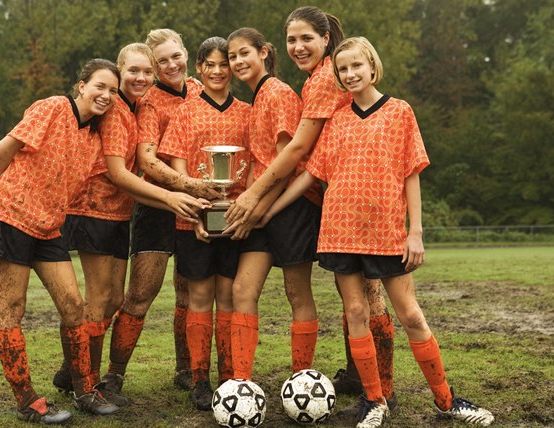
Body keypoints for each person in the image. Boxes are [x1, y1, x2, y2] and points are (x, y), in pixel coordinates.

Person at [263, 37, 495, 428]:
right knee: (356, 312)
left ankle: (446, 399)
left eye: (357, 66)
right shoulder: (336, 121)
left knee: (412, 316)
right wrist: (268, 209)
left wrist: (415, 232)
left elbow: (412, 173)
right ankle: (374, 401)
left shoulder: (400, 112)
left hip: (386, 233)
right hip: (339, 232)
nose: (350, 75)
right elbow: (311, 175)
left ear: (373, 67)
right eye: (343, 70)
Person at [226, 6, 397, 403]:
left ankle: (381, 388)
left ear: (325, 39)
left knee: (365, 294)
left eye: (306, 38)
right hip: (329, 194)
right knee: (355, 293)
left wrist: (256, 197)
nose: (299, 47)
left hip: (350, 195)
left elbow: (300, 149)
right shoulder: (315, 80)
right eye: (292, 39)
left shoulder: (322, 80)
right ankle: (360, 376)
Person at [52, 44, 207, 406]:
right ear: (121, 71)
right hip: (96, 207)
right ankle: (85, 383)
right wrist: (172, 197)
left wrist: (171, 199)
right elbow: (120, 174)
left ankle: (72, 371)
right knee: (101, 300)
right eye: (134, 71)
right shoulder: (119, 112)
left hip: (119, 212)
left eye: (146, 72)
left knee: (112, 299)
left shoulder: (154, 100)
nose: (141, 77)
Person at [0, 59, 123, 424]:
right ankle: (26, 399)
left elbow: (118, 179)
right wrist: (1, 193)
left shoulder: (93, 139)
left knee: (74, 305)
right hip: (11, 218)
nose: (106, 95)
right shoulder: (53, 107)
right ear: (81, 85)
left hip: (49, 228)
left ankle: (83, 389)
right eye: (100, 86)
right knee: (12, 308)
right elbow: (3, 148)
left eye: (112, 90)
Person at [105, 29, 217, 396]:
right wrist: (185, 187)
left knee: (189, 290)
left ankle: (186, 369)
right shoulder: (150, 101)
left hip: (197, 204)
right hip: (157, 204)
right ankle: (114, 373)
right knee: (141, 292)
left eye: (175, 56)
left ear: (186, 54)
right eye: (161, 61)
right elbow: (147, 160)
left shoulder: (202, 90)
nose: (171, 65)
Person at [157, 36, 252, 410]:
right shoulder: (185, 112)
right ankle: (199, 377)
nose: (216, 71)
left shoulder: (246, 111)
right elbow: (178, 163)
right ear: (198, 69)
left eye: (222, 64)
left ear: (231, 68)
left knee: (227, 295)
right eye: (208, 65)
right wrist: (195, 207)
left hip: (235, 217)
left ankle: (229, 376)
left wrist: (242, 207)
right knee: (199, 295)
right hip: (193, 219)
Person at [225, 27, 321, 381]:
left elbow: (286, 162)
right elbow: (258, 162)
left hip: (288, 206)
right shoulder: (256, 100)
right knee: (242, 290)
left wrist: (260, 208)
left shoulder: (278, 93)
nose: (237, 62)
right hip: (258, 208)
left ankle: (303, 379)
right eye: (232, 56)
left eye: (243, 53)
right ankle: (241, 382)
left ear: (264, 52)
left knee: (297, 293)